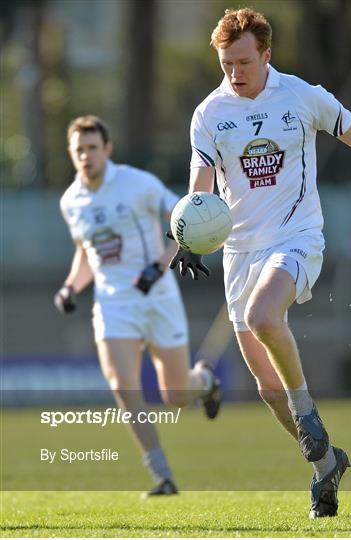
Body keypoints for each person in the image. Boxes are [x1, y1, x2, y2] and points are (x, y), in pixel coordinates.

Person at [169, 8, 351, 518]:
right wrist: (189, 238)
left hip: (297, 239)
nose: (233, 72)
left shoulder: (303, 97)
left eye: (241, 61)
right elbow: (201, 189)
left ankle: (308, 414)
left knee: (265, 316)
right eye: (224, 64)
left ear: (266, 54)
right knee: (265, 387)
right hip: (240, 252)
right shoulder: (209, 113)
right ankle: (326, 466)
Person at [54, 115, 221, 496]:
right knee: (123, 387)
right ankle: (162, 476)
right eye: (79, 149)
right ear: (71, 153)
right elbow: (85, 254)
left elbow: (184, 221)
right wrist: (70, 287)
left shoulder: (138, 183)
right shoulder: (71, 202)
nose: (86, 156)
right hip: (113, 305)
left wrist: (159, 265)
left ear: (107, 149)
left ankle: (206, 381)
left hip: (158, 297)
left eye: (93, 147)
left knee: (176, 395)